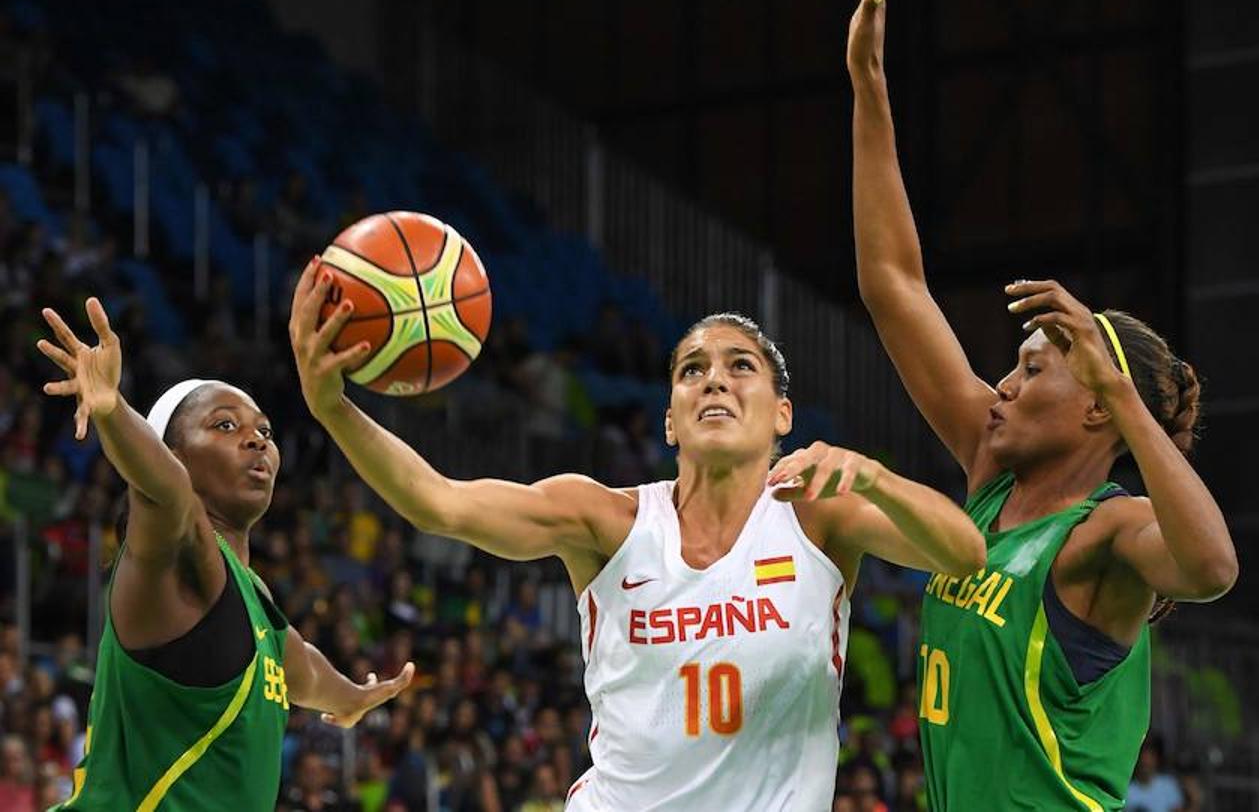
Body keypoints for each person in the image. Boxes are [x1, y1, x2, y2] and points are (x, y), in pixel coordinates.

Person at [288, 260, 986, 811]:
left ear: (782, 415)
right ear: (669, 423)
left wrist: (875, 479)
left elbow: (966, 553)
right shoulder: (605, 519)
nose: (714, 380)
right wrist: (333, 410)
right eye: (692, 371)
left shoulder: (819, 517)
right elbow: (438, 503)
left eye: (740, 366)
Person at [847, 0, 1239, 811]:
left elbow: (1213, 568)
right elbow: (893, 283)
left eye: (1033, 369)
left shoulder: (1110, 534)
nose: (1006, 385)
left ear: (1098, 406)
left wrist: (1118, 387)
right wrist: (868, 85)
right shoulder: (990, 475)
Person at [35, 298, 412, 810]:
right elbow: (166, 491)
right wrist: (114, 409)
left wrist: (352, 697)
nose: (257, 440)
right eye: (225, 426)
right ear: (172, 453)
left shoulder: (252, 597)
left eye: (265, 431)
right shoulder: (174, 556)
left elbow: (301, 668)